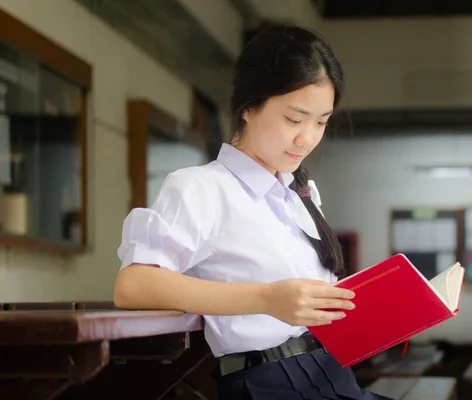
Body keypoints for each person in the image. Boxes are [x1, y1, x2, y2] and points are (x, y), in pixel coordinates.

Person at [114, 25, 392, 400]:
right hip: (267, 383)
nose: (307, 138)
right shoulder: (201, 187)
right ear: (249, 106)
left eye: (321, 122)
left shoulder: (301, 192)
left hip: (331, 371)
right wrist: (266, 299)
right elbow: (134, 285)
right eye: (294, 119)